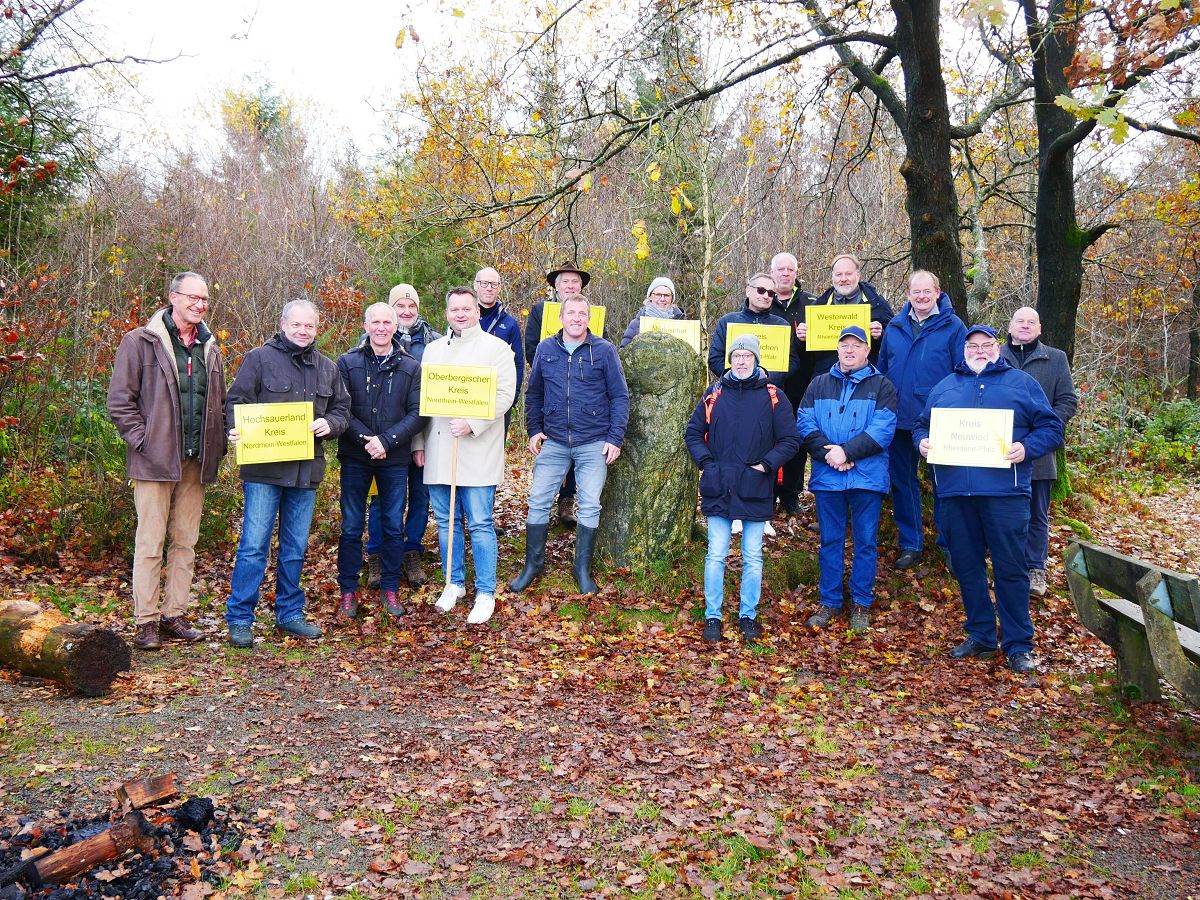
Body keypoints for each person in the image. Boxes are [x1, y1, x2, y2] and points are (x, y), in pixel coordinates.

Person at [915, 325, 1063, 674]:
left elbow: (1051, 428)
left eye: (986, 345)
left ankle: (1018, 644)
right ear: (963, 350)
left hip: (1005, 494)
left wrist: (1027, 448)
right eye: (972, 345)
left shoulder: (1022, 384)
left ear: (997, 349)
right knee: (967, 568)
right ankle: (981, 634)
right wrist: (920, 443)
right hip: (955, 494)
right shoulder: (946, 386)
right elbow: (922, 426)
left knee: (1011, 569)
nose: (979, 350)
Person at [107, 272, 227, 650]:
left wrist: (220, 442)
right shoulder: (140, 342)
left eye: (204, 299)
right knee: (150, 542)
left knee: (185, 542)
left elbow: (219, 404)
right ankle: (145, 621)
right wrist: (144, 442)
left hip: (196, 463)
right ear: (172, 297)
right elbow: (120, 402)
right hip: (155, 462)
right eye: (193, 297)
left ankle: (174, 614)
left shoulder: (210, 348)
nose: (200, 304)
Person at [224, 298, 351, 648]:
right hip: (264, 471)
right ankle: (240, 618)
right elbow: (235, 402)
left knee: (294, 547)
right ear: (283, 324)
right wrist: (235, 428)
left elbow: (343, 408)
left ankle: (289, 614)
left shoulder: (327, 367)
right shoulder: (259, 359)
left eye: (309, 325)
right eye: (297, 324)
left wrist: (331, 422)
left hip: (305, 473)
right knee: (253, 546)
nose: (303, 331)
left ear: (317, 328)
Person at [510, 296, 630, 595]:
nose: (577, 318)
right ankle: (533, 564)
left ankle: (581, 568)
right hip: (554, 440)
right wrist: (534, 429)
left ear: (589, 318)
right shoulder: (546, 349)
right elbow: (534, 392)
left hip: (593, 442)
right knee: (538, 501)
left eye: (582, 313)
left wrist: (615, 438)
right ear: (561, 318)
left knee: (589, 505)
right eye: (571, 313)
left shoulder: (603, 351)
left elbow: (620, 396)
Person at [686, 334, 800, 643]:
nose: (740, 360)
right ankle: (713, 616)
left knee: (752, 555)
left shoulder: (773, 396)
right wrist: (707, 463)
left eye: (746, 355)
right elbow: (694, 433)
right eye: (736, 355)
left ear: (756, 359)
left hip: (756, 486)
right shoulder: (714, 393)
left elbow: (791, 439)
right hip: (719, 484)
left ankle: (747, 616)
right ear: (729, 360)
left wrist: (766, 465)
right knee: (716, 555)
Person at [415, 286, 516, 624]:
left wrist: (473, 422)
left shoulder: (497, 349)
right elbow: (421, 401)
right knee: (445, 522)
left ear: (476, 311)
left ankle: (485, 590)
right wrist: (418, 443)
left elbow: (505, 395)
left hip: (478, 449)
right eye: (454, 309)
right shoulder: (432, 351)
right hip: (440, 448)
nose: (460, 314)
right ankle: (453, 582)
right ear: (446, 313)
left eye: (466, 309)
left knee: (480, 522)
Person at [797, 326, 898, 632]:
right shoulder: (818, 384)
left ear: (867, 350)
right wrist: (830, 454)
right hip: (829, 478)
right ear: (837, 349)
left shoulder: (882, 386)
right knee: (830, 541)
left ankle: (861, 604)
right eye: (845, 345)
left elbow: (883, 429)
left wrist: (848, 453)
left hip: (866, 478)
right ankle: (829, 602)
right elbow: (805, 421)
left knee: (865, 542)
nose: (850, 350)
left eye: (856, 345)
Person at [334, 302, 424, 623]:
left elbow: (417, 414)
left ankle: (390, 588)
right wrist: (367, 441)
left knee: (391, 525)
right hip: (356, 457)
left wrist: (385, 441)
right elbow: (341, 409)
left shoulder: (411, 367)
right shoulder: (347, 363)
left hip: (394, 458)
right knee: (351, 526)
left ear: (395, 326)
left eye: (388, 322)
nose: (382, 327)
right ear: (366, 325)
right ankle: (348, 591)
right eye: (376, 322)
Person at [877, 270, 966, 569]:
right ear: (908, 294)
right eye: (917, 292)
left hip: (938, 420)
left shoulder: (954, 327)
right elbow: (884, 369)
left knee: (944, 485)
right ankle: (911, 543)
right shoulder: (896, 326)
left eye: (927, 291)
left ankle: (950, 546)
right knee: (903, 482)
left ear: (938, 292)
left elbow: (962, 373)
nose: (922, 297)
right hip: (900, 420)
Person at [363, 283, 440, 589]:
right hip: (382, 440)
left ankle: (411, 552)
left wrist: (420, 440)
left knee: (420, 497)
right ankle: (377, 556)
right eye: (400, 306)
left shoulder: (434, 342)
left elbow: (432, 395)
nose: (406, 311)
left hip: (421, 434)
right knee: (380, 500)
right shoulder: (369, 343)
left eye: (411, 306)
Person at [1000, 306, 1078, 598]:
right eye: (1019, 321)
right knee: (1002, 514)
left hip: (1040, 453)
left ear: (1040, 328)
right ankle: (1008, 567)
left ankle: (1036, 569)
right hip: (998, 452)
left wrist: (1044, 432)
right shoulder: (995, 356)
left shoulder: (1055, 359)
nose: (1025, 325)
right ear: (1009, 326)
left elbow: (1068, 402)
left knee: (1037, 514)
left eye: (1031, 322)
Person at [525, 261, 589, 525]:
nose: (570, 286)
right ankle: (543, 502)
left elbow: (600, 343)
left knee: (579, 447)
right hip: (551, 389)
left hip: (583, 395)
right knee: (551, 448)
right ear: (556, 285)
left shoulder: (589, 312)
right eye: (565, 282)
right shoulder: (540, 311)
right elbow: (531, 346)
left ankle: (567, 500)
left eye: (575, 282)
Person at [767, 252, 818, 517]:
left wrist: (805, 339)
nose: (785, 274)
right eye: (780, 269)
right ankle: (768, 493)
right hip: (768, 388)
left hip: (802, 386)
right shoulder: (763, 302)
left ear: (796, 273)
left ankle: (791, 494)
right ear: (772, 272)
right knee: (768, 441)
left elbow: (827, 342)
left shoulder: (812, 303)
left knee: (798, 442)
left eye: (790, 270)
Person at [708, 272, 800, 390]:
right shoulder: (727, 321)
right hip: (734, 390)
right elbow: (715, 358)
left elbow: (793, 361)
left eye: (771, 293)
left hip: (769, 392)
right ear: (748, 291)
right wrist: (738, 376)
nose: (766, 296)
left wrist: (769, 377)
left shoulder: (782, 325)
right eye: (761, 290)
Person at [474, 266, 525, 430]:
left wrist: (512, 399)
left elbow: (518, 363)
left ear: (499, 288)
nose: (489, 288)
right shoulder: (464, 318)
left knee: (494, 452)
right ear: (475, 285)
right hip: (467, 396)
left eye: (493, 284)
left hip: (498, 400)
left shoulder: (509, 323)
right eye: (484, 283)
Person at [619, 277, 686, 347]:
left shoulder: (683, 325)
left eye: (666, 295)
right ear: (650, 296)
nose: (662, 299)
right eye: (658, 294)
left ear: (672, 298)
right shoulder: (636, 324)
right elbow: (623, 352)